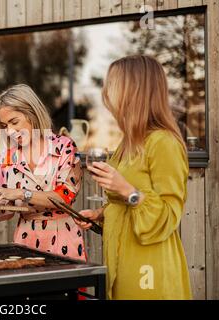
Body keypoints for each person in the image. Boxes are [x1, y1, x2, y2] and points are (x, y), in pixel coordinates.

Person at [75, 55, 192, 299]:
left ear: (134, 91)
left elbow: (169, 215)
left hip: (148, 266)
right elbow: (127, 205)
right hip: (122, 259)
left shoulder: (163, 142)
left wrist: (127, 190)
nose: (107, 91)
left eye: (113, 84)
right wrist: (101, 215)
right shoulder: (128, 143)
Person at [0, 84, 86, 261]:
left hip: (63, 241)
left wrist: (20, 193)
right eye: (5, 126)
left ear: (32, 114)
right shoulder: (9, 156)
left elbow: (64, 197)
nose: (10, 131)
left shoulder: (64, 146)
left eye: (14, 122)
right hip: (25, 243)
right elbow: (4, 211)